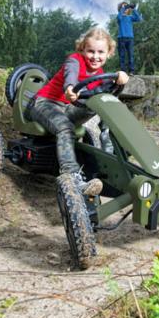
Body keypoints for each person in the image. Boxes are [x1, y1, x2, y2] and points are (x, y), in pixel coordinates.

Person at [29, 27, 129, 196]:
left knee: (103, 105)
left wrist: (119, 81)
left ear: (109, 53)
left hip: (67, 108)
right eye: (91, 51)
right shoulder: (74, 61)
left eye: (100, 52)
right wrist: (69, 88)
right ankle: (72, 177)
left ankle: (113, 151)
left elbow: (103, 95)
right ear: (82, 49)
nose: (95, 56)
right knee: (65, 127)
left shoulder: (101, 74)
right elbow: (71, 75)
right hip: (45, 103)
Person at [117, 1, 143, 75]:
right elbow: (119, 17)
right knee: (122, 56)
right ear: (120, 9)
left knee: (130, 55)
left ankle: (131, 71)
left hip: (130, 38)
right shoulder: (120, 17)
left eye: (126, 7)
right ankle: (123, 72)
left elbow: (138, 19)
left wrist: (133, 9)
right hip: (121, 38)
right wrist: (124, 7)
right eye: (123, 7)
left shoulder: (130, 17)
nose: (125, 8)